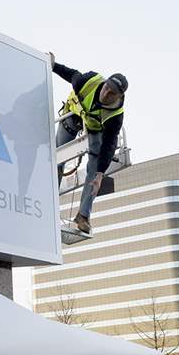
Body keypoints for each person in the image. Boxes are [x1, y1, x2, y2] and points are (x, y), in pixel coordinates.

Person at [48, 52, 128, 233]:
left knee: (95, 169)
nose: (105, 93)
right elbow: (72, 74)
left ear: (118, 97)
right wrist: (53, 65)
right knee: (57, 158)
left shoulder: (116, 115)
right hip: (72, 117)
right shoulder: (89, 81)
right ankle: (49, 202)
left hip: (94, 128)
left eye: (111, 93)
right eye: (106, 88)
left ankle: (83, 216)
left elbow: (109, 144)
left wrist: (100, 174)